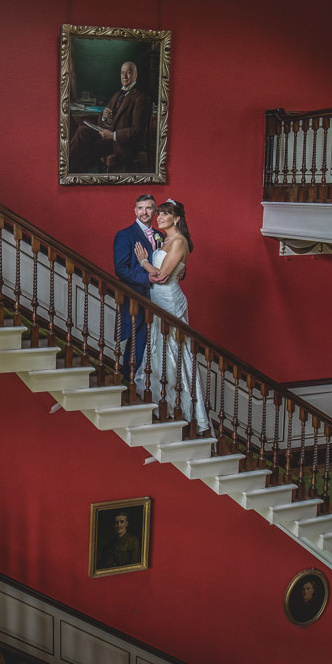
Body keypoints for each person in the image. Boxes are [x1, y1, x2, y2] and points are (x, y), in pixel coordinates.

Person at [132, 199, 210, 433]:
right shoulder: (165, 240)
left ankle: (183, 410)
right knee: (158, 346)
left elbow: (163, 276)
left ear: (177, 218)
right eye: (160, 213)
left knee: (173, 350)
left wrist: (144, 261)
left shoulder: (179, 241)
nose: (160, 217)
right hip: (157, 300)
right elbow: (175, 269)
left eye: (165, 214)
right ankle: (159, 401)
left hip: (169, 300)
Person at [68, 61, 151, 173]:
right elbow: (102, 122)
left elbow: (137, 131)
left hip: (122, 145)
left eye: (129, 73)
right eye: (122, 73)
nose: (125, 76)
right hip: (108, 139)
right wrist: (104, 116)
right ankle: (67, 168)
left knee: (84, 148)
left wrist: (113, 135)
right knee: (82, 130)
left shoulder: (141, 98)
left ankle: (66, 169)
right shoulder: (117, 94)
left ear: (136, 75)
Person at [112, 194, 159, 382]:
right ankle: (128, 384)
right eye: (140, 208)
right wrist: (147, 277)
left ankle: (149, 386)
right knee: (136, 345)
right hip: (137, 298)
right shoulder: (124, 235)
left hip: (159, 298)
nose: (144, 212)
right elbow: (121, 270)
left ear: (155, 211)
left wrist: (180, 271)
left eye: (148, 208)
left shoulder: (161, 235)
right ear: (135, 210)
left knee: (155, 344)